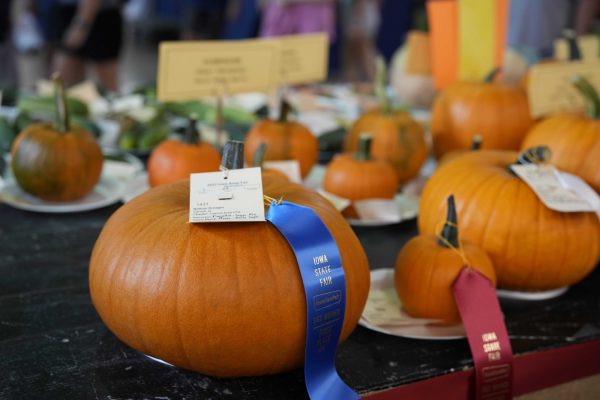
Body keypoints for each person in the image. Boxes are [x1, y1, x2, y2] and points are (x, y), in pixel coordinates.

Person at [51, 0, 123, 92]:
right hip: (72, 14)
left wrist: (82, 26)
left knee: (108, 84)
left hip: (96, 17)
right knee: (68, 84)